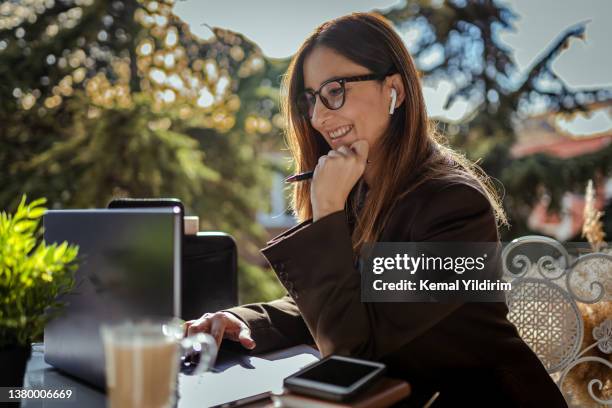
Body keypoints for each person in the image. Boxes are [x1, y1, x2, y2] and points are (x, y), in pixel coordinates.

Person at [185, 12, 567, 407]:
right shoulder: (360, 191)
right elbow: (348, 306)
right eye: (310, 99)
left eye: (335, 90)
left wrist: (328, 210)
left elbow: (356, 357)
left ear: (395, 90)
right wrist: (245, 322)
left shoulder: (456, 207)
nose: (318, 117)